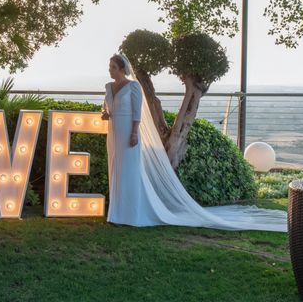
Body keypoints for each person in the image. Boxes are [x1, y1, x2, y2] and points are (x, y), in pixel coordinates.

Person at [102, 54, 286, 231]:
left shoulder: (134, 87)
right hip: (114, 132)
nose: (110, 70)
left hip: (128, 132)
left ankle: (130, 214)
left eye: (113, 67)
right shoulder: (109, 87)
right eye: (109, 67)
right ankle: (116, 214)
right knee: (115, 169)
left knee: (129, 171)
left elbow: (137, 113)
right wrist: (106, 114)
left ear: (122, 69)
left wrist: (134, 132)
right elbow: (108, 108)